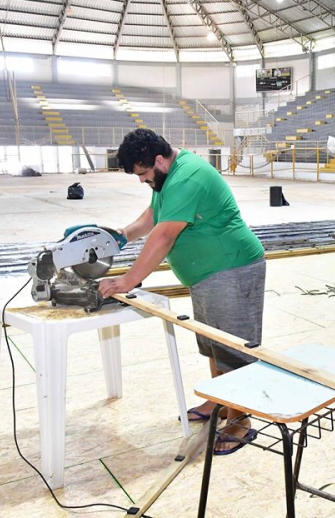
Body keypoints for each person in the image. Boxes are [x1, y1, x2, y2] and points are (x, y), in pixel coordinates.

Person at [98, 128, 265, 455]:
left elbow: (163, 235)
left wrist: (128, 281)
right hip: (207, 274)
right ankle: (220, 401)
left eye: (143, 173)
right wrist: (122, 235)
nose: (142, 180)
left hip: (231, 268)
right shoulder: (166, 177)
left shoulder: (188, 177)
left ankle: (240, 419)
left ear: (159, 160)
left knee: (234, 349)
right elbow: (154, 214)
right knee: (214, 344)